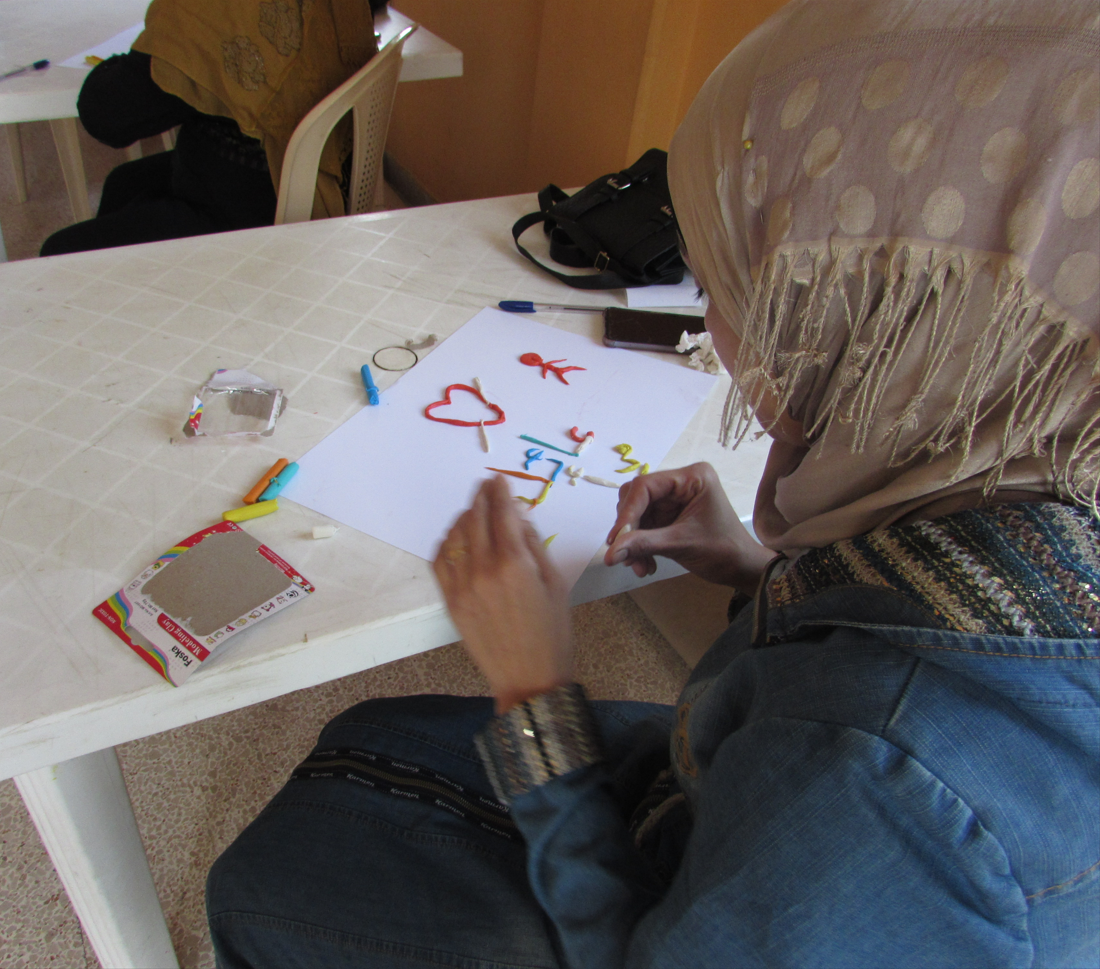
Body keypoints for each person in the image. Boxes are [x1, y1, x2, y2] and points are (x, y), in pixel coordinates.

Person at [206, 1, 1099, 966]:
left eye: (724, 289)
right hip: (742, 816)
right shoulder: (1037, 451)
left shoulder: (877, 781)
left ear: (892, 334)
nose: (710, 328)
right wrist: (756, 569)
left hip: (679, 910)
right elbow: (912, 644)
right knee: (368, 736)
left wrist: (535, 690)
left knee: (260, 884)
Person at [40, 0, 384, 257]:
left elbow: (107, 115)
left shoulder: (215, 11)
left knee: (58, 254)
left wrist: (143, 53)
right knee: (123, 183)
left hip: (253, 213)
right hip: (307, 169)